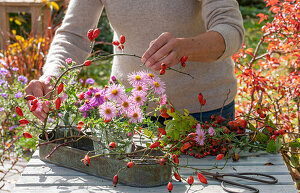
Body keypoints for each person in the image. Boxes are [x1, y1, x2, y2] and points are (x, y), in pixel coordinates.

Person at [25, 0, 244, 123]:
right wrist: (53, 77)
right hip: (129, 114)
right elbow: (74, 35)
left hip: (204, 113)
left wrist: (184, 48)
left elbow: (230, 29)